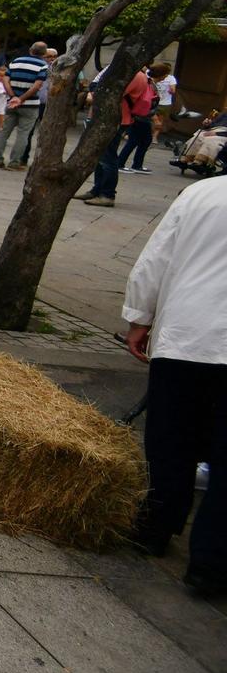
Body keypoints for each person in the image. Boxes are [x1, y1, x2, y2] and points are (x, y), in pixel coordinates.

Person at [123, 176, 227, 595]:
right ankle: (210, 564)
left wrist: (139, 315)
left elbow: (156, 259)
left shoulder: (203, 192)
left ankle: (155, 528)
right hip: (195, 336)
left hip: (186, 335)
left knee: (171, 440)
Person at [78, 65, 154, 208]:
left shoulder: (135, 75)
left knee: (108, 158)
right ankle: (97, 190)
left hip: (116, 119)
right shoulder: (129, 72)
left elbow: (109, 92)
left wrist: (94, 90)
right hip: (110, 118)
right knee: (101, 157)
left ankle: (107, 194)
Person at [0, 40, 50, 171]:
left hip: (11, 102)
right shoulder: (43, 65)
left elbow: (6, 79)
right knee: (23, 134)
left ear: (31, 50)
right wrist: (21, 99)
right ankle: (14, 162)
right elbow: (37, 85)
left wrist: (13, 96)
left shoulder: (16, 61)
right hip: (30, 104)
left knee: (4, 131)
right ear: (44, 53)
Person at [117, 64, 165, 173]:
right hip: (141, 116)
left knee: (142, 140)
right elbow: (147, 102)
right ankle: (123, 163)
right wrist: (155, 118)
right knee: (135, 140)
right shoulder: (149, 84)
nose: (166, 77)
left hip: (142, 116)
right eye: (165, 74)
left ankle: (134, 164)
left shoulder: (150, 83)